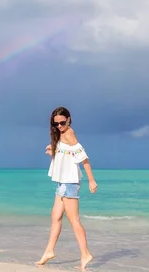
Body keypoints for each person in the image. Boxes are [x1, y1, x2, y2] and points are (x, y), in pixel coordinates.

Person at [35, 106, 98, 270]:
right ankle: (49, 251)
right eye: (56, 124)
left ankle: (85, 254)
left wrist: (92, 181)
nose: (60, 126)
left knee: (74, 220)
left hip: (70, 183)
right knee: (55, 216)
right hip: (62, 182)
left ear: (69, 119)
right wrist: (54, 151)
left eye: (62, 123)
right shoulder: (61, 134)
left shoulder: (69, 133)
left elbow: (83, 158)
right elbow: (67, 154)